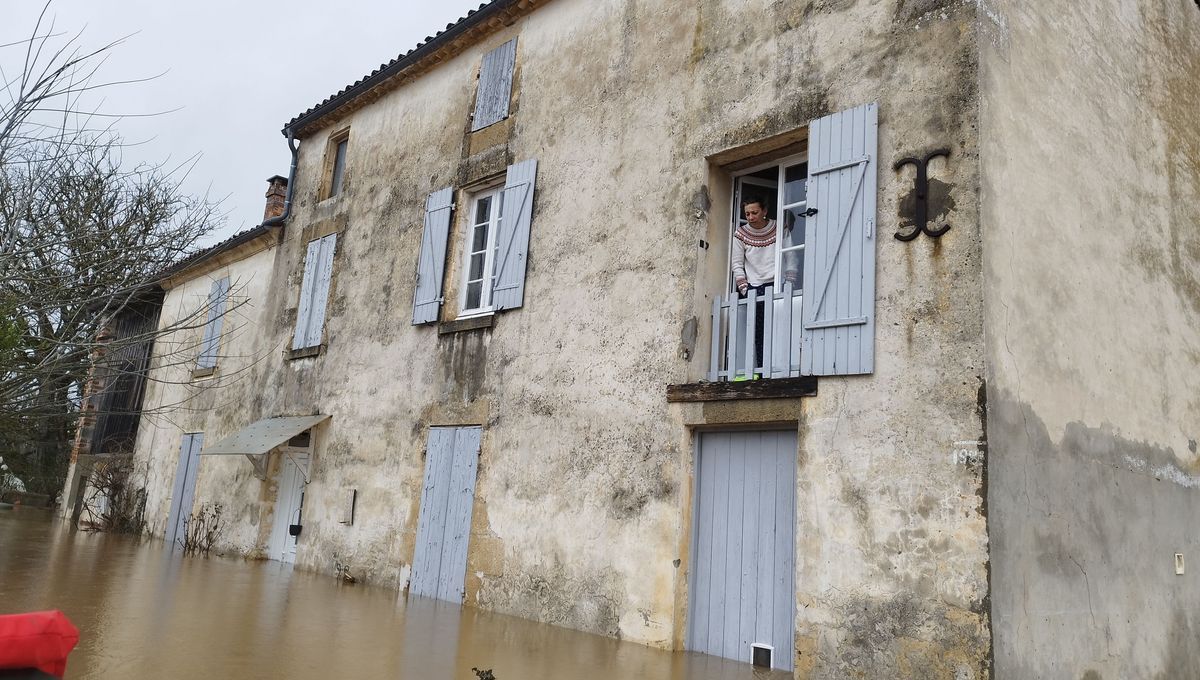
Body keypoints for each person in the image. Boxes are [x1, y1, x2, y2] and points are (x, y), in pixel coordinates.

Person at [730, 196, 798, 376]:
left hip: (778, 284)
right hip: (754, 287)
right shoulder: (740, 234)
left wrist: (789, 282)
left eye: (754, 212)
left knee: (783, 328)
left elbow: (790, 255)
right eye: (747, 213)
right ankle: (762, 373)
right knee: (759, 332)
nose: (750, 217)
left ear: (765, 211)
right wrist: (744, 288)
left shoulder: (779, 228)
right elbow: (736, 264)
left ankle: (784, 372)